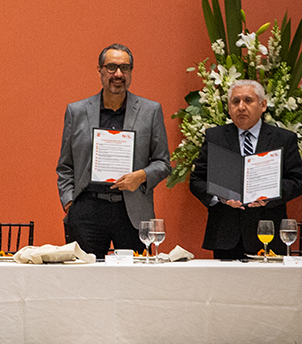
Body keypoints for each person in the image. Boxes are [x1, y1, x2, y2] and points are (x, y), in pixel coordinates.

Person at [56, 44, 170, 259]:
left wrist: (141, 176)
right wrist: (70, 203)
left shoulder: (150, 111)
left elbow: (163, 163)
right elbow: (65, 165)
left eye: (124, 68)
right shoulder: (77, 111)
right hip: (87, 210)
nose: (118, 74)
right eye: (111, 67)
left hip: (132, 210)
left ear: (131, 72)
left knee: (134, 276)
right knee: (84, 275)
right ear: (99, 70)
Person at [189, 79, 302, 260]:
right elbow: (197, 180)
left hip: (268, 232)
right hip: (226, 234)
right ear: (229, 107)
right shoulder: (215, 137)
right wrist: (220, 197)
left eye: (248, 100)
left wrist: (270, 196)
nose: (241, 107)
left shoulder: (283, 139)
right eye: (235, 101)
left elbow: (297, 180)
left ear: (263, 105)